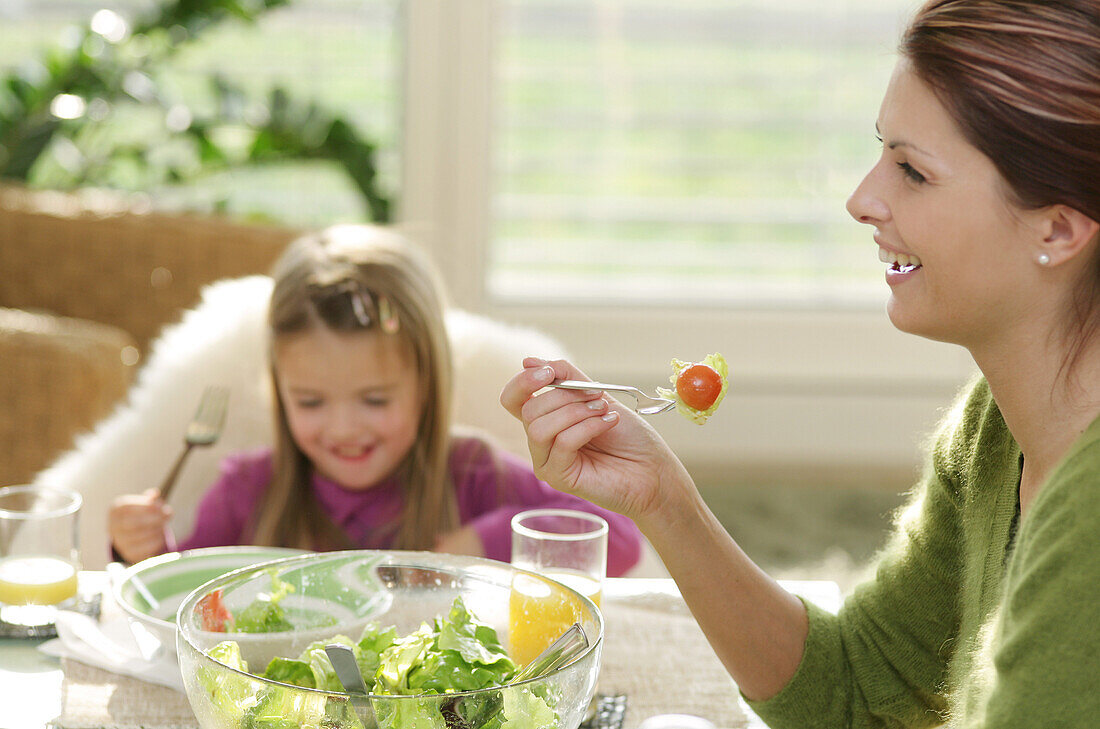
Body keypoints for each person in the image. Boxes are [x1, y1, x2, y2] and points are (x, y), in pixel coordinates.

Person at [501, 0, 1100, 726]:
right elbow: (860, 687)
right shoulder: (996, 426)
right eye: (883, 150)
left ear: (1059, 228)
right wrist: (662, 495)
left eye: (912, 171)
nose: (861, 199)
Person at [108, 224, 642, 575]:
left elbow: (618, 540)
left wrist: (480, 541)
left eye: (374, 399)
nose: (342, 428)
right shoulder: (246, 491)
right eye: (311, 402)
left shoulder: (474, 473)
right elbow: (182, 597)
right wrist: (145, 551)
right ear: (278, 390)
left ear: (426, 384)